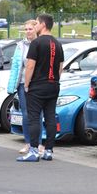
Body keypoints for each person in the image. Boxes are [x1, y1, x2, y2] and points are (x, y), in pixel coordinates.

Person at [18, 14, 64, 162]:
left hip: (37, 86)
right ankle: (49, 150)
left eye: (37, 23)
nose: (35, 25)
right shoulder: (58, 43)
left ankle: (33, 150)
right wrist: (54, 80)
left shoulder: (36, 43)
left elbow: (30, 65)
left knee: (33, 118)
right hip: (53, 85)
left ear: (43, 25)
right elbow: (60, 67)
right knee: (50, 117)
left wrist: (26, 84)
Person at [7, 20, 44, 155]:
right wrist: (12, 85)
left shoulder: (40, 44)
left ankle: (38, 144)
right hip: (23, 84)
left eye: (30, 29)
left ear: (36, 30)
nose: (28, 31)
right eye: (26, 29)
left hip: (37, 84)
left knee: (37, 114)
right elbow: (16, 66)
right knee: (26, 114)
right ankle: (28, 143)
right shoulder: (20, 45)